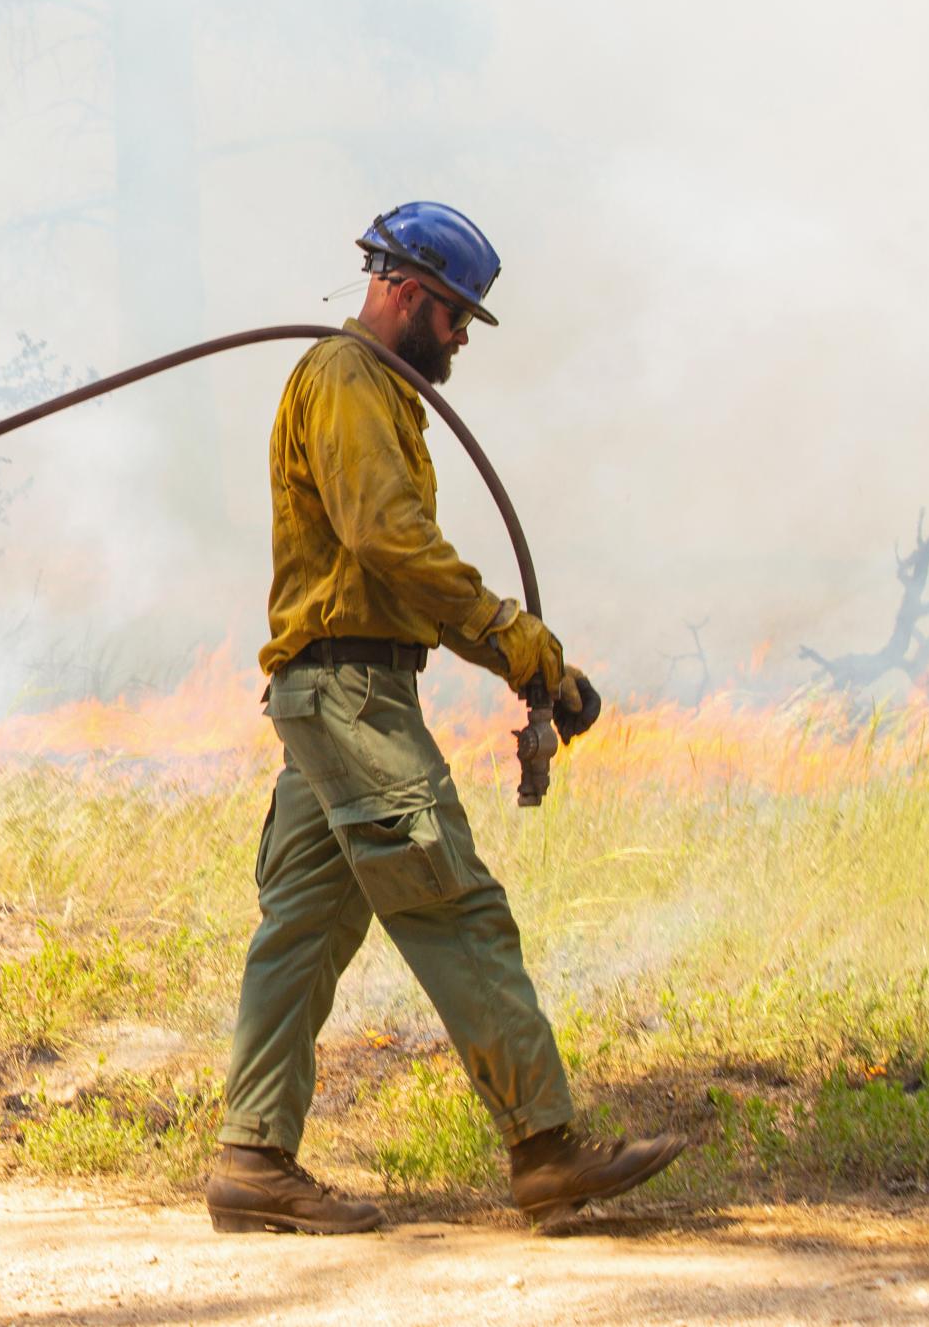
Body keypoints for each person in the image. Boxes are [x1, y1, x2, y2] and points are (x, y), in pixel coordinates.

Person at [205, 202, 684, 1235]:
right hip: (348, 701)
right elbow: (390, 540)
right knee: (453, 905)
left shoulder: (372, 390)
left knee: (302, 925)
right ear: (407, 293)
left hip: (330, 694)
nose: (461, 336)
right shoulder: (344, 380)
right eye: (456, 315)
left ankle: (251, 1160)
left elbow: (391, 556)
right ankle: (544, 1147)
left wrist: (521, 659)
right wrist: (513, 637)